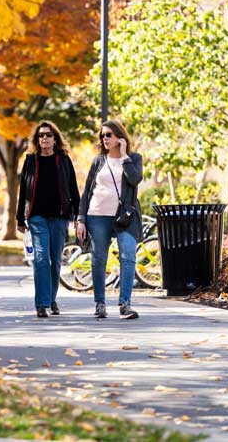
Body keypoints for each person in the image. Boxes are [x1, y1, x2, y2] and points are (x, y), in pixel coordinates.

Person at [76, 120, 143, 320]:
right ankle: (100, 304)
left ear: (120, 137)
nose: (104, 138)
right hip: (97, 215)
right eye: (103, 135)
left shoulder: (133, 158)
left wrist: (123, 156)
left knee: (128, 256)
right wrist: (81, 219)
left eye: (109, 135)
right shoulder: (98, 161)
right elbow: (87, 191)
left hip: (126, 216)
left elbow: (135, 179)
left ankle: (125, 304)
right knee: (98, 259)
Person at [16, 121, 80, 318]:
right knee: (41, 259)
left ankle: (52, 299)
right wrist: (20, 218)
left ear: (55, 139)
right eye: (41, 135)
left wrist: (79, 217)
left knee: (55, 260)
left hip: (60, 218)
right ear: (37, 140)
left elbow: (73, 189)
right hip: (37, 217)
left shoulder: (64, 160)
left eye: (49, 135)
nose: (44, 138)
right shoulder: (30, 161)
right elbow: (23, 193)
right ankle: (42, 304)